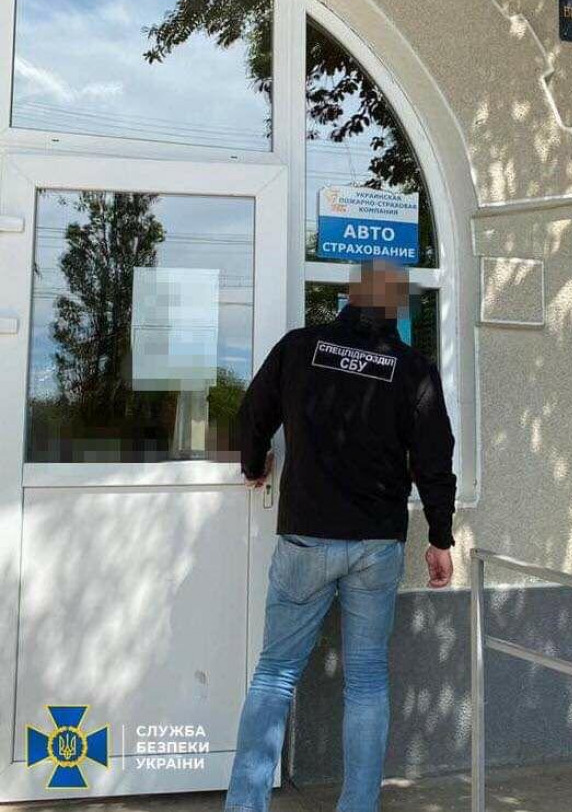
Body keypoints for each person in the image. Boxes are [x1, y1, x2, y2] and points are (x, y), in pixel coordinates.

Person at [224, 259, 457, 812]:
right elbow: (435, 460)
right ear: (396, 304)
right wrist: (440, 537)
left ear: (350, 295)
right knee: (367, 682)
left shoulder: (299, 347)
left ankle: (245, 806)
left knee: (275, 676)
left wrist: (253, 465)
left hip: (306, 537)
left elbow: (253, 413)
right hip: (376, 545)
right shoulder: (412, 369)